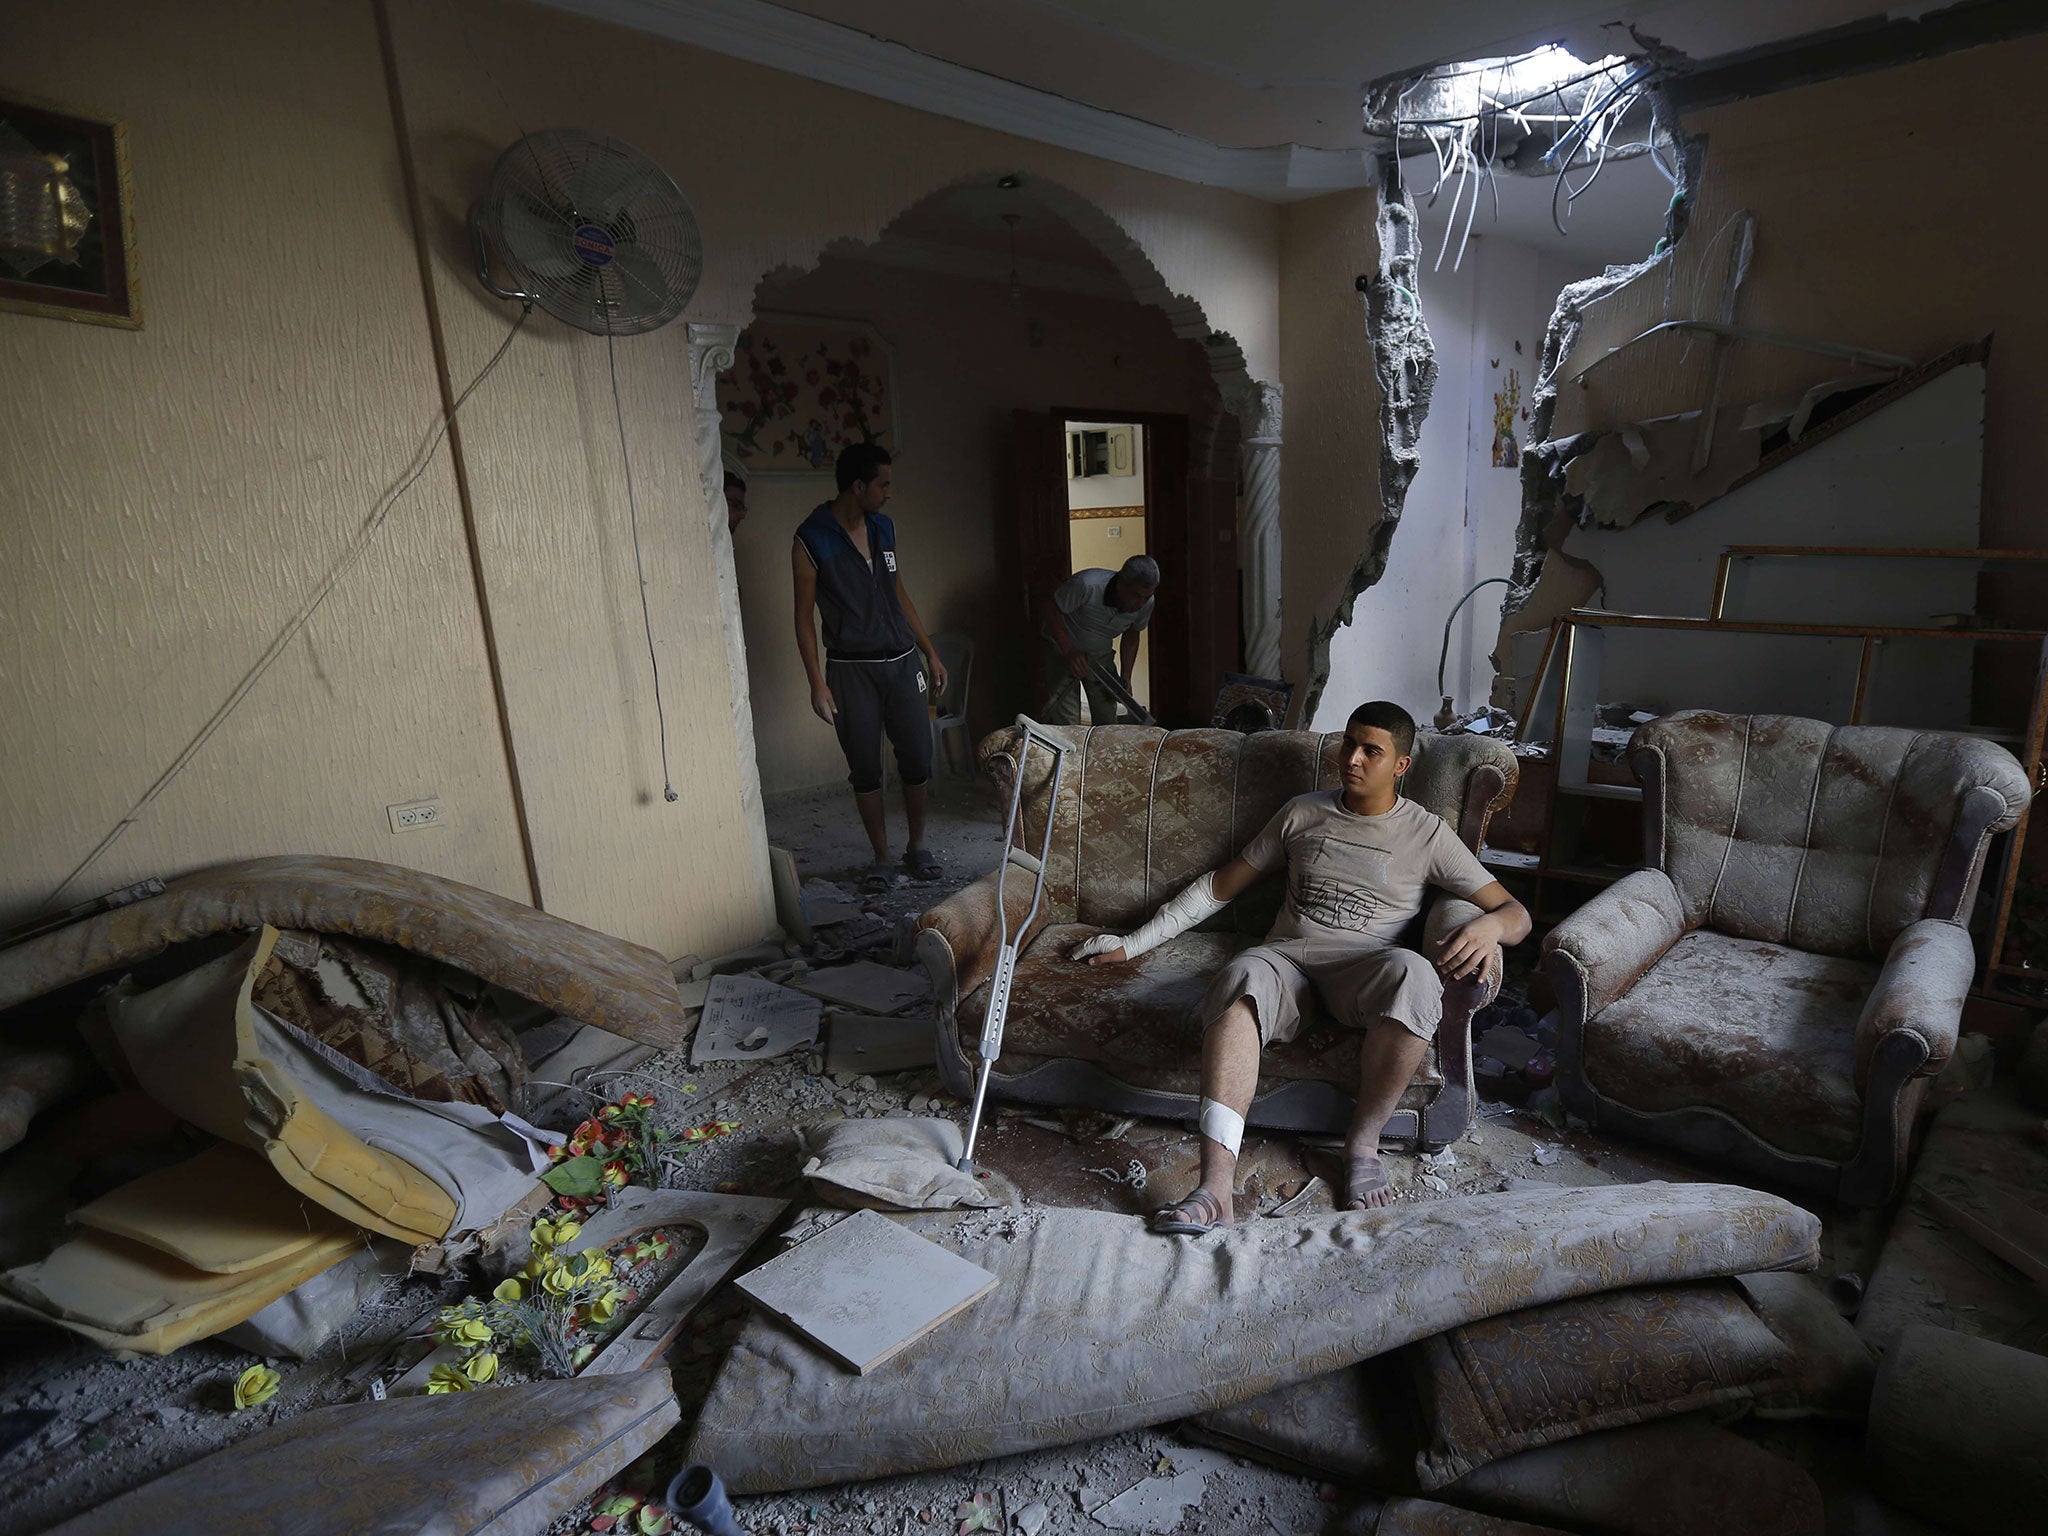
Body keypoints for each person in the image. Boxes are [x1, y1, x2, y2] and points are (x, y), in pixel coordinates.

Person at [1071, 699, 1531, 1232]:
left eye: (1371, 751)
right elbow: (1218, 889)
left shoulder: (1426, 833)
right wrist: (1133, 943)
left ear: (1400, 766)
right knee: (1241, 973)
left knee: (1416, 975)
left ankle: (1361, 1148)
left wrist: (1490, 927)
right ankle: (1215, 1186)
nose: (1352, 759)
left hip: (1364, 966)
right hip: (1286, 961)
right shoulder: (1301, 811)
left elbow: (1515, 912)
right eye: (1349, 743)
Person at [792, 443, 949, 887]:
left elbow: (898, 593)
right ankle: (881, 857)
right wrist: (817, 683)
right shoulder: (810, 539)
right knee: (865, 766)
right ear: (858, 486)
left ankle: (918, 847)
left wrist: (929, 651)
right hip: (850, 670)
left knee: (917, 757)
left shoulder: (883, 528)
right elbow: (803, 617)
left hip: (902, 663)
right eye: (883, 484)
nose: (888, 493)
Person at [1038, 555, 1158, 725]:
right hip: (1064, 648)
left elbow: (1133, 633)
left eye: (1146, 597)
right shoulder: (1087, 584)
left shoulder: (1147, 603)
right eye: (1136, 595)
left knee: (1107, 717)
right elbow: (1051, 608)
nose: (1141, 603)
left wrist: (1126, 677)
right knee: (1068, 723)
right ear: (1121, 584)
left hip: (1100, 654)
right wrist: (1068, 650)